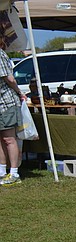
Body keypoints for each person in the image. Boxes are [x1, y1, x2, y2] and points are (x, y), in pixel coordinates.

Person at [0, 48, 26, 186]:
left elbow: (10, 79)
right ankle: (2, 171)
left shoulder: (0, 54)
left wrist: (19, 92)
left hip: (6, 103)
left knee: (9, 139)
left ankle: (14, 172)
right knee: (1, 139)